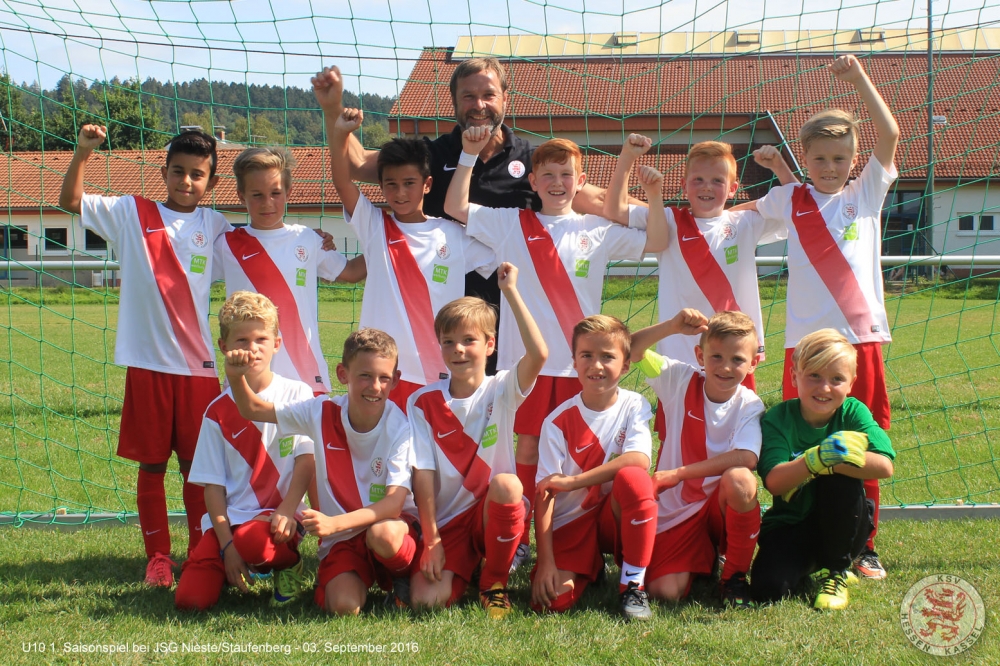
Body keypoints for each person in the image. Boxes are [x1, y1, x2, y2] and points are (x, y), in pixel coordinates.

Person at [445, 129, 667, 570]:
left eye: (567, 174)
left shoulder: (596, 229)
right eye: (548, 174)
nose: (557, 182)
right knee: (527, 451)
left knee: (581, 456)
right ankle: (523, 537)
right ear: (533, 181)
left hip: (582, 368)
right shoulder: (510, 222)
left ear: (580, 181)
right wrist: (468, 154)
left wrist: (651, 191)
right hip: (527, 365)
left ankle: (578, 533)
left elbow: (658, 240)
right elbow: (455, 206)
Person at [310, 59, 612, 375]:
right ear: (454, 101)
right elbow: (356, 166)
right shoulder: (432, 155)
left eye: (488, 95)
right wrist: (333, 109)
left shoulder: (533, 163)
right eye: (468, 96)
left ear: (505, 98)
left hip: (514, 321)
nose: (479, 105)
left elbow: (596, 198)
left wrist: (651, 215)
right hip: (443, 325)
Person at [58, 125, 230, 586]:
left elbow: (257, 243)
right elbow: (70, 201)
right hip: (148, 365)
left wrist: (312, 239)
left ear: (211, 182)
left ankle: (200, 552)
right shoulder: (132, 212)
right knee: (152, 465)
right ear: (164, 172)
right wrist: (83, 152)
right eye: (178, 171)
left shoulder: (215, 225)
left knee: (198, 468)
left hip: (199, 369)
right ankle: (158, 557)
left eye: (197, 174)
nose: (186, 181)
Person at [752, 54, 900, 580]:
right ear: (807, 159)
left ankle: (863, 543)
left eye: (840, 158)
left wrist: (859, 78)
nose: (831, 167)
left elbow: (889, 134)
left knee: (865, 437)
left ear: (854, 159)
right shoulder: (788, 198)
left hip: (860, 339)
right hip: (805, 343)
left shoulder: (866, 194)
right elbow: (754, 211)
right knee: (801, 439)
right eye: (820, 159)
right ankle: (802, 532)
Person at [313, 89, 496, 412]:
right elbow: (343, 183)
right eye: (391, 184)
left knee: (433, 444)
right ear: (382, 186)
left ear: (427, 184)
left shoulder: (455, 234)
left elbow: (507, 255)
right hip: (383, 370)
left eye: (409, 183)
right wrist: (339, 133)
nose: (400, 193)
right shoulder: (376, 227)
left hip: (439, 372)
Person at [227, 328, 418, 616]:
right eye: (365, 376)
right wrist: (234, 375)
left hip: (388, 525)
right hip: (342, 540)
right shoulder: (321, 411)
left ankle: (401, 578)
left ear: (396, 380)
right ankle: (335, 580)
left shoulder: (400, 427)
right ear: (343, 374)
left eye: (384, 378)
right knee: (344, 606)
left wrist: (334, 523)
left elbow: (393, 504)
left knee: (383, 535)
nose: (375, 387)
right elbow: (253, 408)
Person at [407, 262, 547, 617]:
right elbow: (423, 473)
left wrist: (510, 292)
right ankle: (465, 568)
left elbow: (539, 354)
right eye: (449, 342)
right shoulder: (422, 401)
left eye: (469, 340)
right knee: (425, 600)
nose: (458, 349)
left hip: (489, 512)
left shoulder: (502, 389)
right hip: (449, 522)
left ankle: (494, 582)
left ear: (490, 345)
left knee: (508, 485)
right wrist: (432, 539)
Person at [175, 292, 314, 610]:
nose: (253, 348)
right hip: (232, 521)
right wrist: (227, 546)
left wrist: (288, 509)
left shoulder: (297, 393)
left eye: (261, 339)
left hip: (279, 517)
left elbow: (307, 461)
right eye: (242, 340)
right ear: (224, 347)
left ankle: (288, 563)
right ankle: (231, 564)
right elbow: (212, 488)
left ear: (277, 343)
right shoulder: (216, 411)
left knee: (253, 543)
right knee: (190, 601)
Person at [749, 329, 895, 610]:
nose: (824, 388)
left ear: (851, 383)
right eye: (814, 375)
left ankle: (836, 571)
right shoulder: (778, 418)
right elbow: (775, 482)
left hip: (846, 525)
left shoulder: (853, 412)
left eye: (836, 379)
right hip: (791, 525)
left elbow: (885, 466)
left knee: (841, 477)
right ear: (794, 377)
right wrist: (815, 459)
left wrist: (831, 463)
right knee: (768, 590)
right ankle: (815, 563)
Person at [630, 309, 765, 609]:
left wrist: (678, 473)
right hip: (676, 509)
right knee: (665, 592)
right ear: (700, 356)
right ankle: (704, 555)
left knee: (741, 480)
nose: (725, 367)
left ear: (753, 363)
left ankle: (734, 577)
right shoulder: (679, 379)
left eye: (737, 359)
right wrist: (671, 326)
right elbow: (632, 349)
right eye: (716, 356)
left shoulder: (749, 405)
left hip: (717, 508)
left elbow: (746, 457)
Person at [531, 315, 657, 621]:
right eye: (586, 355)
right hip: (572, 524)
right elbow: (545, 494)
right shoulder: (556, 422)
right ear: (574, 362)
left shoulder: (634, 404)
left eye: (607, 357)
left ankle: (632, 585)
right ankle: (592, 566)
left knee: (635, 479)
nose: (596, 365)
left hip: (612, 517)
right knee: (551, 603)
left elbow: (638, 460)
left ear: (626, 365)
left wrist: (573, 482)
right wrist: (546, 561)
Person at [215, 146, 366, 395]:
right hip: (249, 374)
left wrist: (384, 244)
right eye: (257, 195)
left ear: (288, 192)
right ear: (241, 196)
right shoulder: (225, 244)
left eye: (275, 193)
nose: (267, 203)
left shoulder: (308, 239)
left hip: (304, 373)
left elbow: (351, 272)